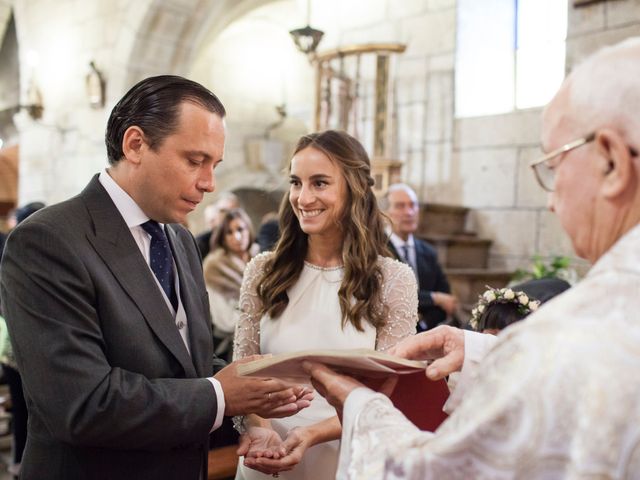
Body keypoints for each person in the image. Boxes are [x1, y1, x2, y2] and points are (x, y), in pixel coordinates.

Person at [305, 37, 640, 478]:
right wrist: (484, 351)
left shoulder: (569, 338)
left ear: (612, 164)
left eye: (553, 167)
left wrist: (361, 407)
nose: (551, 202)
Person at [0, 75, 312, 480]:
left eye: (213, 165)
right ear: (135, 145)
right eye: (194, 160)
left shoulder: (178, 238)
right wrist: (222, 395)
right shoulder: (50, 239)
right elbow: (81, 403)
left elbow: (185, 361)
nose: (208, 183)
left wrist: (253, 406)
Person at [233, 130, 418, 479]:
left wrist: (312, 435)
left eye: (319, 183)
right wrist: (258, 427)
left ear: (354, 189)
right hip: (265, 458)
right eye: (296, 182)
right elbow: (242, 372)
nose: (303, 198)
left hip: (343, 459)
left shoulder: (392, 280)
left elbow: (388, 393)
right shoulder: (262, 271)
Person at [0, 201, 45, 478]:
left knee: (28, 411)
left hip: (19, 348)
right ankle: (22, 464)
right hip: (20, 349)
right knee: (26, 411)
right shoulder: (21, 252)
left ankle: (22, 463)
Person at [382, 183, 457, 331]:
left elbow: (447, 300)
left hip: (424, 333)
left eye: (413, 205)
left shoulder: (428, 252)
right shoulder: (375, 248)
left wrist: (423, 326)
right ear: (385, 212)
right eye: (400, 206)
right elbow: (387, 295)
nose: (409, 212)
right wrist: (433, 298)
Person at [203, 208, 256, 363]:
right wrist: (264, 316)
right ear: (222, 237)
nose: (237, 237)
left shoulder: (261, 257)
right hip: (233, 346)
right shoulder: (214, 267)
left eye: (240, 229)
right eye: (229, 232)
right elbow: (224, 320)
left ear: (249, 228)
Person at [196, 192, 240, 259]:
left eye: (232, 211)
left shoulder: (245, 237)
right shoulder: (201, 243)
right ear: (216, 214)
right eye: (223, 211)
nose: (228, 216)